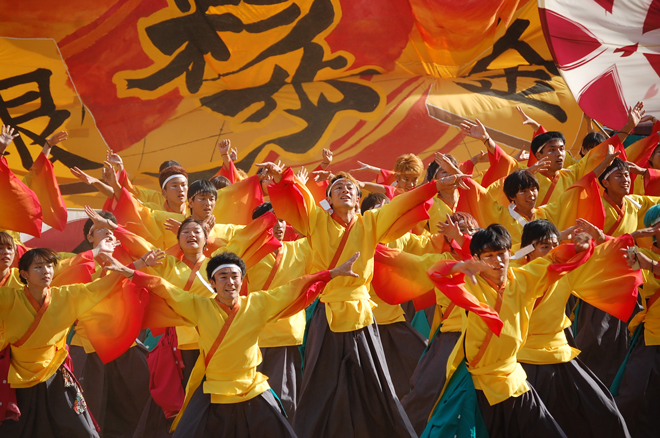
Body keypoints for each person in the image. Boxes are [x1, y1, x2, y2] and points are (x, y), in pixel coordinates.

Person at [262, 162, 464, 438]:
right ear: (329, 199)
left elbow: (396, 206)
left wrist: (433, 187)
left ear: (358, 200)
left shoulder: (370, 223)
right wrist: (282, 176)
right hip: (329, 313)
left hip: (362, 316)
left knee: (378, 385)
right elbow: (301, 197)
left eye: (350, 189)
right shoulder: (317, 221)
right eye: (337, 189)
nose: (345, 191)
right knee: (318, 388)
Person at [105, 250, 360, 438]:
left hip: (251, 388)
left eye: (235, 276)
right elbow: (162, 287)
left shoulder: (256, 304)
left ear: (242, 281)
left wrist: (331, 274)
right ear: (213, 284)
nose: (230, 282)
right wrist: (129, 271)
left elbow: (294, 288)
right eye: (223, 277)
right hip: (213, 391)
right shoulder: (198, 305)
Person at [424, 224, 598, 437]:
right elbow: (434, 272)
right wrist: (457, 267)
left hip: (513, 377)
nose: (497, 261)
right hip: (481, 383)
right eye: (489, 255)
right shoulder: (471, 283)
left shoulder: (522, 279)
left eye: (501, 254)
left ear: (510, 253)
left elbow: (552, 260)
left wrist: (576, 247)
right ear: (477, 259)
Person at [516, 219, 637, 438]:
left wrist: (599, 238)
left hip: (561, 355)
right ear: (528, 251)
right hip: (523, 361)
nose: (553, 251)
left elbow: (609, 259)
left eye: (555, 246)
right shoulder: (515, 276)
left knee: (605, 412)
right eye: (545, 247)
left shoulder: (566, 272)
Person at [0, 248, 133, 438]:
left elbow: (97, 288)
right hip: (18, 378)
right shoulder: (9, 298)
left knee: (82, 430)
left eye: (49, 266)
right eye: (38, 267)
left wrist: (135, 267)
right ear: (24, 274)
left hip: (55, 372)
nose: (46, 271)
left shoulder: (66, 295)